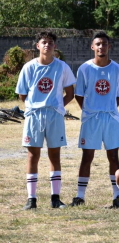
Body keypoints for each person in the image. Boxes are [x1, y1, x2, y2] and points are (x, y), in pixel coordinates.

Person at [16, 31, 76, 210]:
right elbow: (22, 94)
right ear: (38, 46)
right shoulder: (29, 67)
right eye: (44, 42)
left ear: (55, 46)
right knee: (33, 155)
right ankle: (31, 199)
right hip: (34, 115)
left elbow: (70, 93)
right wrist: (33, 106)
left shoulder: (62, 67)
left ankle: (55, 198)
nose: (47, 45)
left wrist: (58, 107)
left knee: (54, 155)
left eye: (51, 42)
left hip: (54, 115)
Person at [70, 31, 119, 208]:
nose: (101, 47)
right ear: (92, 47)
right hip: (91, 119)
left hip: (110, 118)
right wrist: (90, 110)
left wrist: (108, 107)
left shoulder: (117, 68)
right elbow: (79, 94)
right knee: (87, 156)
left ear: (109, 46)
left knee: (113, 157)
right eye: (98, 44)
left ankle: (118, 196)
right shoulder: (85, 68)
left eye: (104, 44)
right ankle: (80, 196)